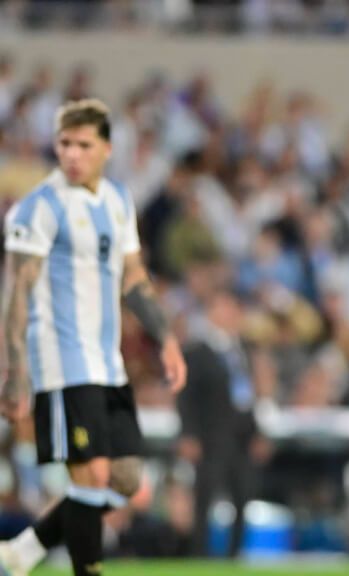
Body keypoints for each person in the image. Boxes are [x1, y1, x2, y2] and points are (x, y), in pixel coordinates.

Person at [0, 99, 187, 576]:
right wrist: (14, 368)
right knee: (91, 477)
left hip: (108, 361)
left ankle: (24, 550)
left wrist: (164, 338)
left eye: (83, 145)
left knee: (125, 478)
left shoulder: (118, 200)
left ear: (106, 148)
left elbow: (134, 277)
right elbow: (17, 290)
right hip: (61, 359)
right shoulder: (39, 207)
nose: (72, 154)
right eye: (64, 144)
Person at [178, 288, 267, 558]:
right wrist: (188, 434)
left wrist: (257, 432)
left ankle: (234, 555)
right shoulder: (197, 352)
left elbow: (247, 397)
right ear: (211, 313)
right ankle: (199, 555)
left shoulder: (242, 350)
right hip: (210, 437)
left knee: (242, 497)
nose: (230, 314)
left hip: (241, 436)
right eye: (224, 308)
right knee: (205, 499)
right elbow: (187, 397)